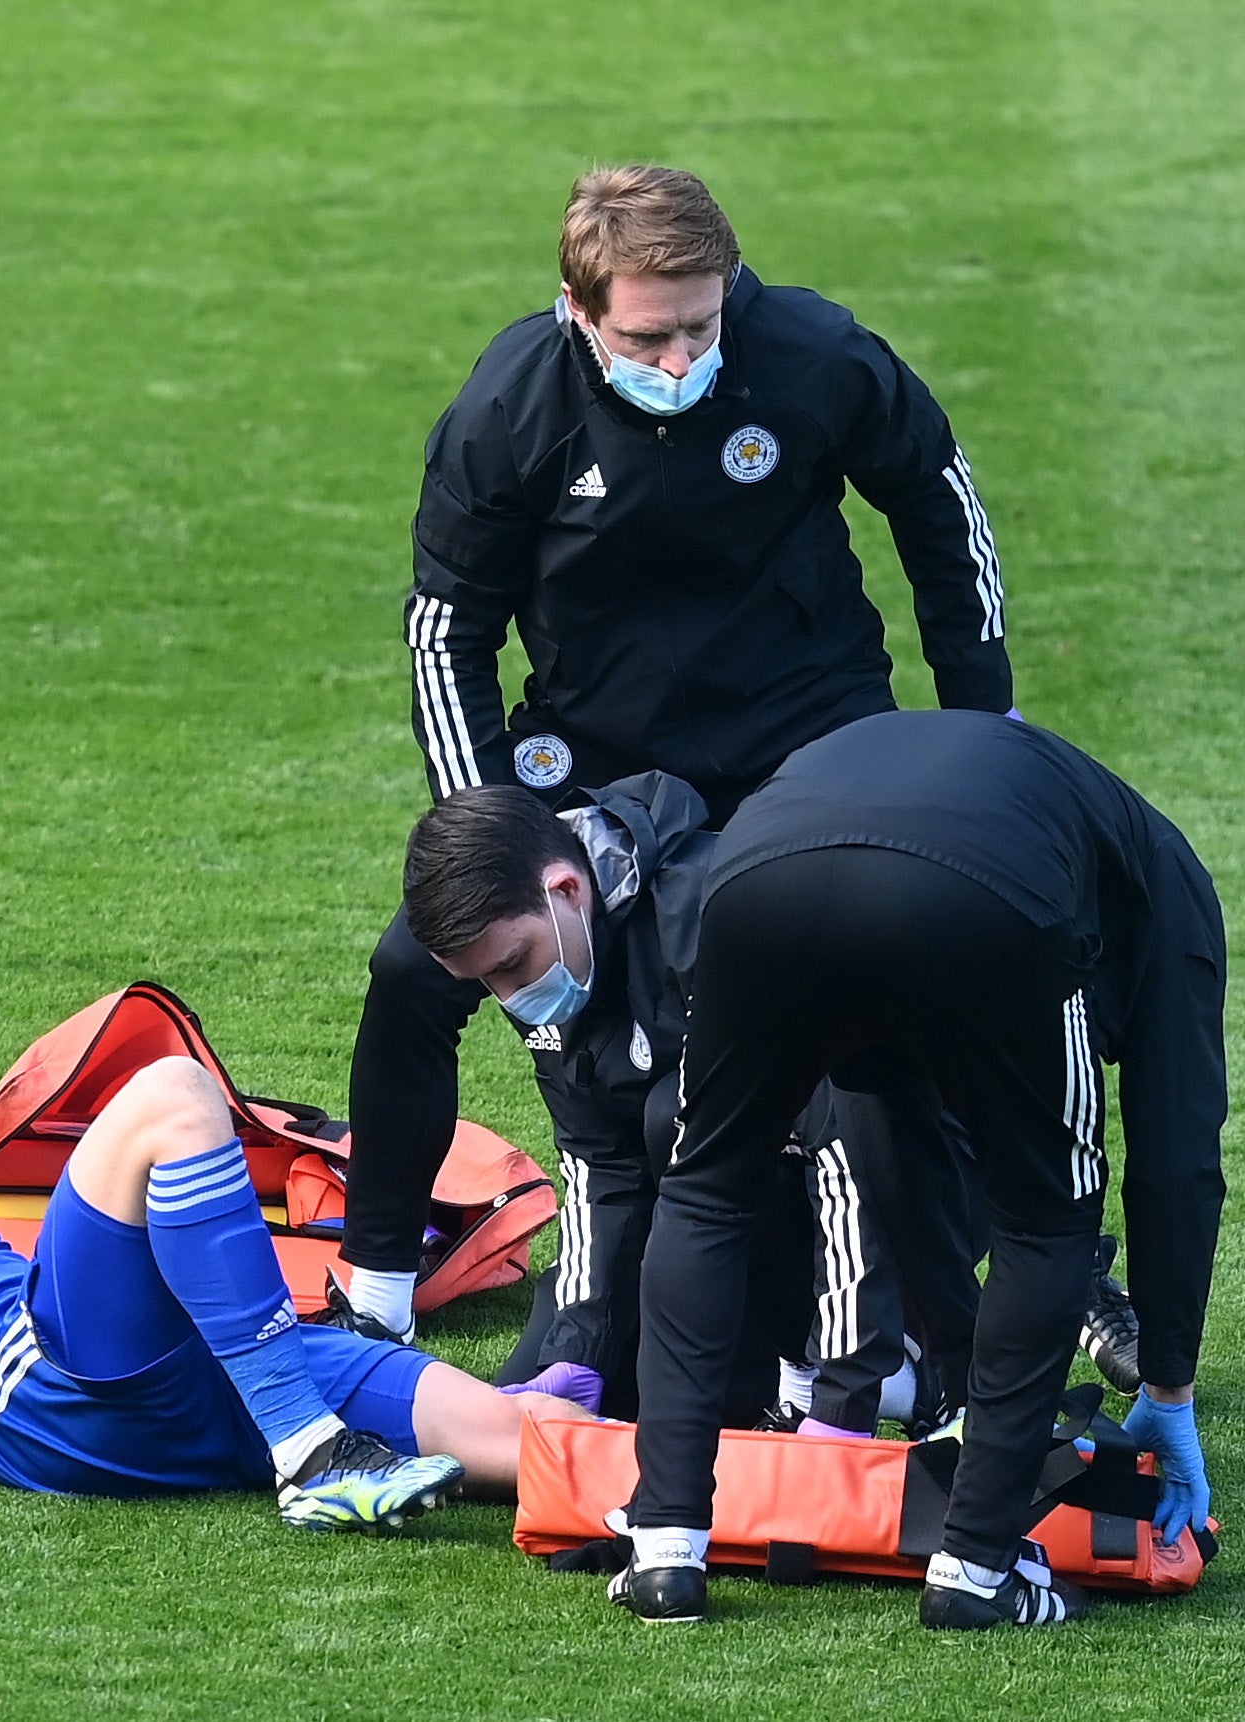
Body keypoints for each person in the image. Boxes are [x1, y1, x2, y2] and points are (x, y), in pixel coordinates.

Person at [334, 163, 1152, 1386]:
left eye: (702, 325)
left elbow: (940, 502)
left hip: (812, 744)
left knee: (927, 978)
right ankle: (380, 1289)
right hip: (601, 767)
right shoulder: (510, 410)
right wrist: (494, 827)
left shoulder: (813, 352)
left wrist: (987, 731)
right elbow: (445, 633)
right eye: (647, 334)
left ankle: (1068, 1267)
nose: (679, 358)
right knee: (417, 964)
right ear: (578, 310)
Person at [0, 925, 588, 1528]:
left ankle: (727, 1493)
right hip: (53, 1391)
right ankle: (312, 1450)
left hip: (206, 1369)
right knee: (170, 1091)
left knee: (540, 1433)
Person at [612, 710, 1227, 1629]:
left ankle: (664, 1548)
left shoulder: (1033, 811)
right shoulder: (1168, 880)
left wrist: (963, 1360)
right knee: (1049, 1219)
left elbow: (880, 1098)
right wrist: (1170, 1383)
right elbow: (1177, 1155)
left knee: (703, 1188)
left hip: (756, 878)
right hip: (977, 893)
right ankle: (978, 1569)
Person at [397, 775, 963, 1438]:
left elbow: (847, 1144)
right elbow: (594, 1163)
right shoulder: (559, 959)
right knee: (536, 1411)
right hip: (753, 1189)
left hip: (927, 1152)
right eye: (486, 982)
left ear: (566, 891)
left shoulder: (723, 920)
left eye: (515, 965)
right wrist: (576, 1348)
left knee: (682, 1117)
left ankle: (901, 1351)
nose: (510, 996)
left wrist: (839, 1388)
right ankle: (811, 1366)